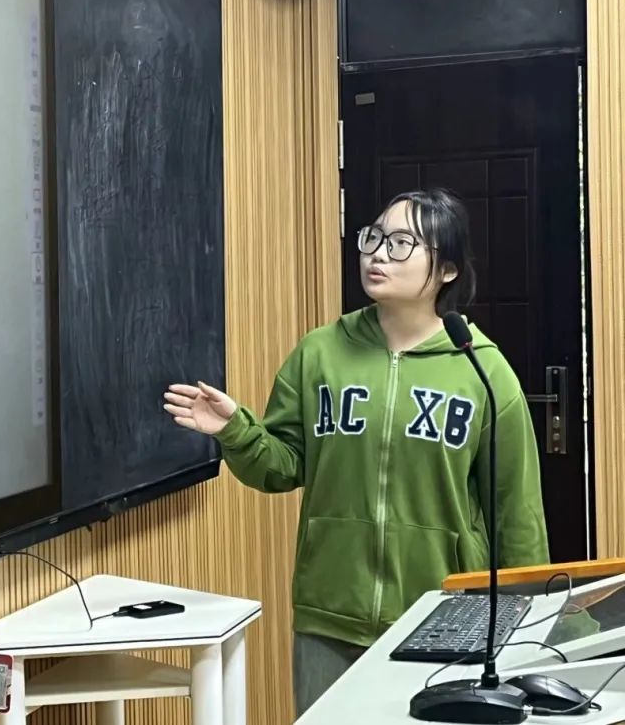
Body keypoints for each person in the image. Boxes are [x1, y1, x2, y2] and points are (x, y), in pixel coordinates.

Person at [163, 188, 549, 716]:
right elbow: (281, 467)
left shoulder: (482, 369)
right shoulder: (320, 352)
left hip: (444, 617)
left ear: (448, 270)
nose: (377, 254)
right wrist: (235, 430)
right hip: (330, 615)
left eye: (401, 243)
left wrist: (532, 624)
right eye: (374, 238)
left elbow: (515, 509)